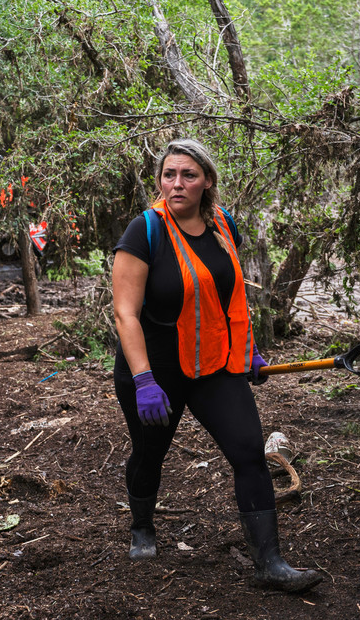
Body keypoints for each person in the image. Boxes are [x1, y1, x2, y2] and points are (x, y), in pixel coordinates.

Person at [111, 139, 322, 593]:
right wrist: (144, 380)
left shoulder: (223, 226)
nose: (177, 184)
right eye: (169, 174)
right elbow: (125, 313)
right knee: (151, 454)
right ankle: (142, 526)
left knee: (249, 452)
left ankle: (270, 564)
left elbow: (228, 298)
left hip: (213, 366)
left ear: (207, 180)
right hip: (155, 372)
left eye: (188, 175)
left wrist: (246, 349)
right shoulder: (144, 232)